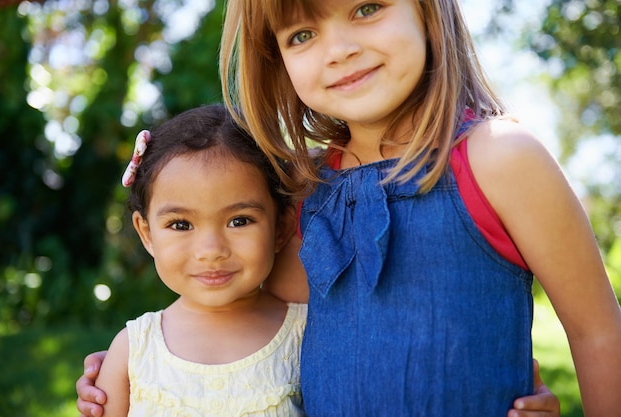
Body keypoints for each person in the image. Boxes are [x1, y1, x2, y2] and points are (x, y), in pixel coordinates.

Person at [214, 0, 621, 415]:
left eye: (367, 9)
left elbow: (599, 334)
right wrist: (152, 361)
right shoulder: (307, 194)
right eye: (301, 35)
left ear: (427, 11)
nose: (339, 50)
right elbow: (265, 337)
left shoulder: (500, 159)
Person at [92, 104, 307, 417]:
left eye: (240, 221)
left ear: (281, 227)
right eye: (181, 225)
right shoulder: (133, 350)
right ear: (147, 233)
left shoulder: (306, 335)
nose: (211, 250)